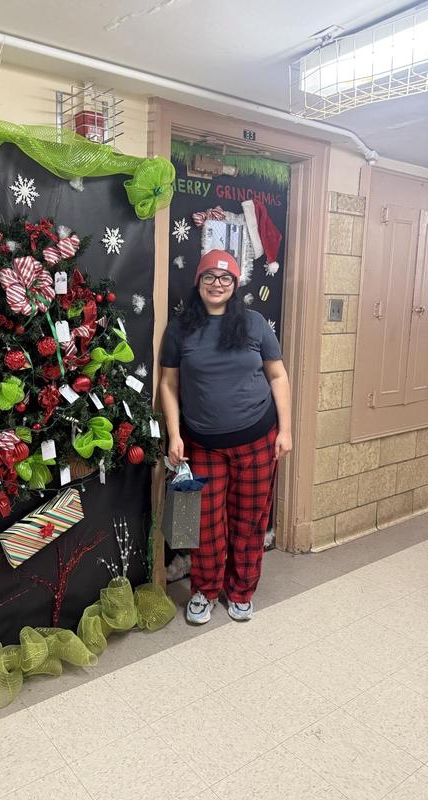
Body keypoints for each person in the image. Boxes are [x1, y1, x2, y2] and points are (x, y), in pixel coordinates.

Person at [159, 249, 292, 624]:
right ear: (198, 283)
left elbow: (278, 376)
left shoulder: (254, 324)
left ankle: (241, 591)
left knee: (249, 520)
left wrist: (286, 430)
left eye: (225, 279)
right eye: (209, 278)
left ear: (235, 284)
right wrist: (174, 434)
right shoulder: (180, 329)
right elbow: (168, 384)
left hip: (257, 439)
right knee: (204, 524)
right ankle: (204, 590)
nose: (217, 285)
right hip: (202, 446)